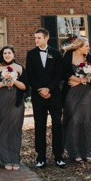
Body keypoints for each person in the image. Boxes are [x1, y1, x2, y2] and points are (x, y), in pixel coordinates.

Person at [24, 28, 66, 169]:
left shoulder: (56, 53)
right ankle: (40, 157)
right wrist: (40, 90)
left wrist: (49, 89)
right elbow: (30, 75)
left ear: (46, 38)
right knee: (40, 127)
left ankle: (58, 156)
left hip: (54, 96)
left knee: (57, 126)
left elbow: (59, 74)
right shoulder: (31, 54)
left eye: (39, 38)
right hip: (38, 96)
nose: (36, 40)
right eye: (35, 38)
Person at [0, 45, 27, 170]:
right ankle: (5, 159)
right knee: (3, 129)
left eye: (9, 53)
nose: (7, 55)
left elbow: (25, 87)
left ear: (14, 54)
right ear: (2, 55)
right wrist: (5, 81)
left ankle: (15, 159)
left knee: (15, 129)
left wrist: (13, 80)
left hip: (16, 102)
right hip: (2, 102)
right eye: (5, 53)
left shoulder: (19, 68)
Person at [61, 36, 91, 163]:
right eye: (86, 46)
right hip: (71, 91)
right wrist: (78, 81)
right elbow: (63, 73)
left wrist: (82, 81)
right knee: (74, 120)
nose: (89, 48)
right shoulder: (68, 55)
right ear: (79, 46)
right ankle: (74, 152)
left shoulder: (88, 56)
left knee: (87, 121)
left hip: (86, 91)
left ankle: (88, 152)